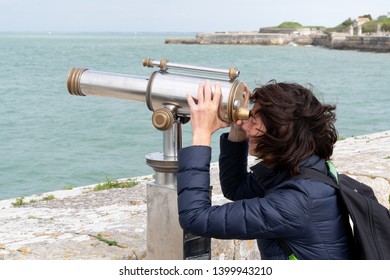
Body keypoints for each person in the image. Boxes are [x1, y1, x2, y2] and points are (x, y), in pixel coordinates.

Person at [177, 80, 354, 260]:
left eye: (253, 122)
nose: (246, 125)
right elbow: (237, 188)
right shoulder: (304, 168)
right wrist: (238, 131)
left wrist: (201, 133)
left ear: (279, 135)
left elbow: (195, 218)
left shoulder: (295, 201)